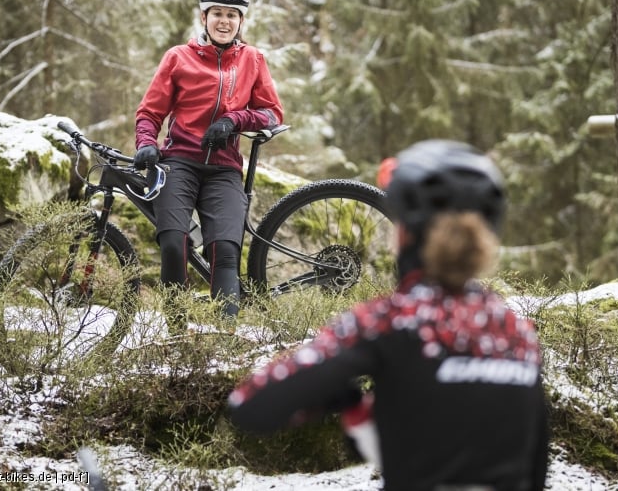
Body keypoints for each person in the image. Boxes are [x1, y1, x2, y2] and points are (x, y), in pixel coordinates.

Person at [228, 140, 549, 490]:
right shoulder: (515, 331)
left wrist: (342, 398)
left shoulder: (392, 320)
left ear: (405, 232)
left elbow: (250, 407)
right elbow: (534, 471)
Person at [133, 0, 284, 322]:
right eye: (217, 13)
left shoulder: (253, 59)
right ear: (204, 17)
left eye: (232, 15)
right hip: (178, 163)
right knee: (174, 243)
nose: (224, 21)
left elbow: (273, 113)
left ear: (240, 22)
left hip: (224, 168)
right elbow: (150, 112)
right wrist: (145, 144)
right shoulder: (178, 57)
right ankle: (176, 331)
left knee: (225, 250)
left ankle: (225, 337)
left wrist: (235, 120)